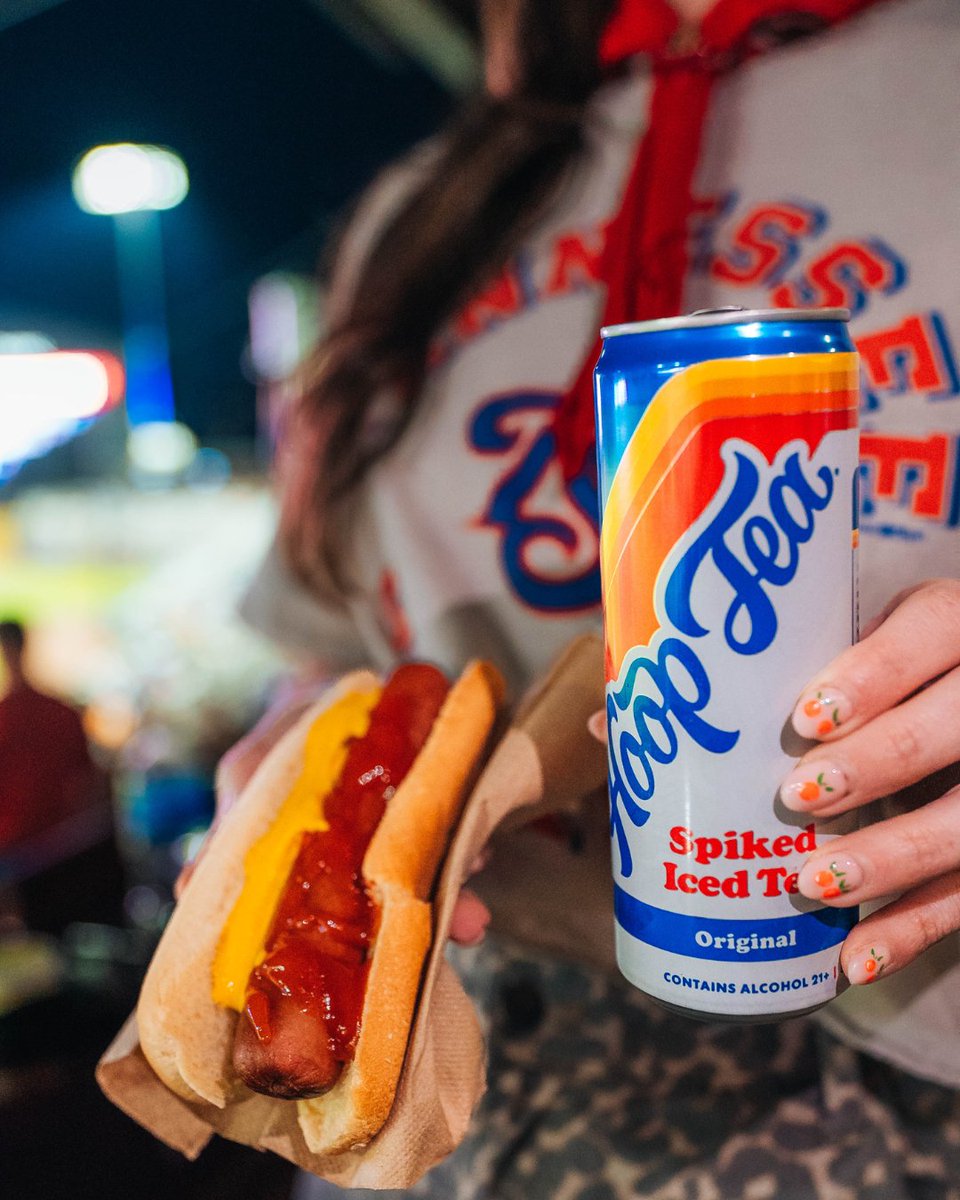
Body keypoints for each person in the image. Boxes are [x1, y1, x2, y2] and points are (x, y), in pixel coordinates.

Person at [223, 0, 960, 1195]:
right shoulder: (423, 208)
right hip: (440, 1073)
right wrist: (300, 747)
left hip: (888, 1086)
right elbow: (339, 638)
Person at [0, 619, 120, 932]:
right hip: (60, 851)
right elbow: (93, 781)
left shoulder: (43, 712)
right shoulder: (58, 710)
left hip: (35, 856)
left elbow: (90, 780)